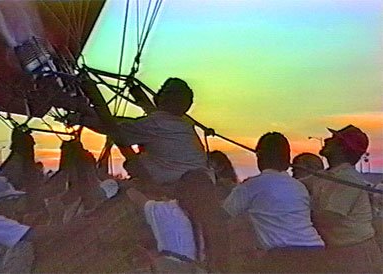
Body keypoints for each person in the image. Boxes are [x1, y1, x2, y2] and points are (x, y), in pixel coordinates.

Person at [76, 77, 212, 185]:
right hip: (197, 184)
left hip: (168, 189)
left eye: (162, 90)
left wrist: (83, 114)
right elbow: (140, 118)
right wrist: (138, 94)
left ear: (162, 97)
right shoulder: (184, 125)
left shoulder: (156, 124)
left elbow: (115, 130)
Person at [223, 132, 325, 272]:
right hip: (316, 251)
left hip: (283, 257)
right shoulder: (298, 187)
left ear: (259, 157)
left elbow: (222, 215)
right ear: (287, 159)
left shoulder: (251, 186)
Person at [306, 125, 383, 272]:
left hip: (355, 254)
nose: (327, 140)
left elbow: (329, 217)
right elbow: (298, 185)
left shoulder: (349, 179)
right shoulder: (326, 175)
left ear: (342, 149)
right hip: (340, 252)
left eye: (334, 139)